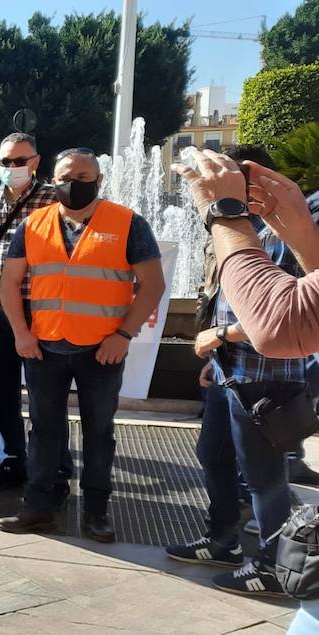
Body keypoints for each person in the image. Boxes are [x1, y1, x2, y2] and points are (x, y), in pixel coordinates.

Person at [173, 148, 319, 635]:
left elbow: (285, 315)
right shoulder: (261, 224)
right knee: (213, 455)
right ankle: (222, 541)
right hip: (231, 369)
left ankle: (275, 565)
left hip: (268, 373)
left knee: (264, 477)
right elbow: (229, 294)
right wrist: (216, 356)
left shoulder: (279, 226)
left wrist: (220, 336)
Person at [0, 148, 165, 543]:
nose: (74, 185)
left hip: (101, 350)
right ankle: (37, 507)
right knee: (43, 431)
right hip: (45, 347)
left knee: (99, 433)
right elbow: (9, 282)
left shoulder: (128, 223)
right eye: (66, 178)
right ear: (53, 180)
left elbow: (152, 284)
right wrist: (21, 333)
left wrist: (123, 335)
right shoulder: (34, 224)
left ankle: (95, 512)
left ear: (99, 180)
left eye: (84, 178)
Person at [0, 132, 67, 492]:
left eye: (19, 160)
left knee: (46, 395)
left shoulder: (54, 199)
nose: (11, 167)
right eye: (5, 161)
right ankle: (11, 460)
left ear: (35, 162)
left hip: (40, 309)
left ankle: (54, 468)